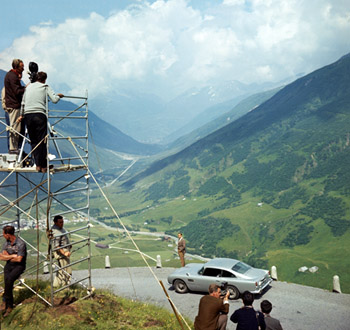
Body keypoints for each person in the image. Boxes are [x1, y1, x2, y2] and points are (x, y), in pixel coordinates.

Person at [19, 71, 63, 173]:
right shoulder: (45, 86)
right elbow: (54, 100)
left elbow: (23, 103)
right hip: (39, 114)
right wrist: (59, 96)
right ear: (44, 80)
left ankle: (37, 165)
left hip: (28, 115)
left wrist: (21, 115)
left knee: (34, 140)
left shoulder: (28, 87)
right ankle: (43, 166)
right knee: (42, 140)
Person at [0, 225, 27, 316]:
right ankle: (7, 304)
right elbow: (1, 256)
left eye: (4, 233)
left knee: (9, 281)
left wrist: (7, 257)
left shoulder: (20, 243)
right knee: (7, 282)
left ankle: (8, 304)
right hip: (9, 265)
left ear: (8, 234)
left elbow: (19, 259)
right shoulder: (6, 243)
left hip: (19, 266)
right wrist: (13, 256)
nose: (3, 235)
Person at [4, 59, 25, 154]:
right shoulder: (13, 77)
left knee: (14, 128)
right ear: (17, 67)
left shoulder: (10, 75)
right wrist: (25, 89)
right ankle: (13, 149)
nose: (23, 69)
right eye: (22, 67)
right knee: (15, 129)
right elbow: (16, 91)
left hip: (11, 104)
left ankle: (14, 148)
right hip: (14, 105)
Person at [51, 215, 72, 287]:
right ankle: (65, 286)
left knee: (60, 270)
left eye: (62, 222)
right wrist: (64, 253)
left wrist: (69, 245)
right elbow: (57, 246)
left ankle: (56, 285)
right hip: (62, 252)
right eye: (60, 222)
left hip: (65, 250)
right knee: (66, 270)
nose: (62, 223)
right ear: (55, 222)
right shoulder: (56, 232)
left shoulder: (60, 229)